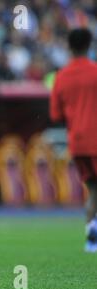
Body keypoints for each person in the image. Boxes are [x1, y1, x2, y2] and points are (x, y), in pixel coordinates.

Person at [50, 27, 97, 253]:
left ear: (69, 46)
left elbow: (56, 115)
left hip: (77, 143)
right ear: (90, 45)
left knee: (93, 190)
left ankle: (91, 241)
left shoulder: (61, 77)